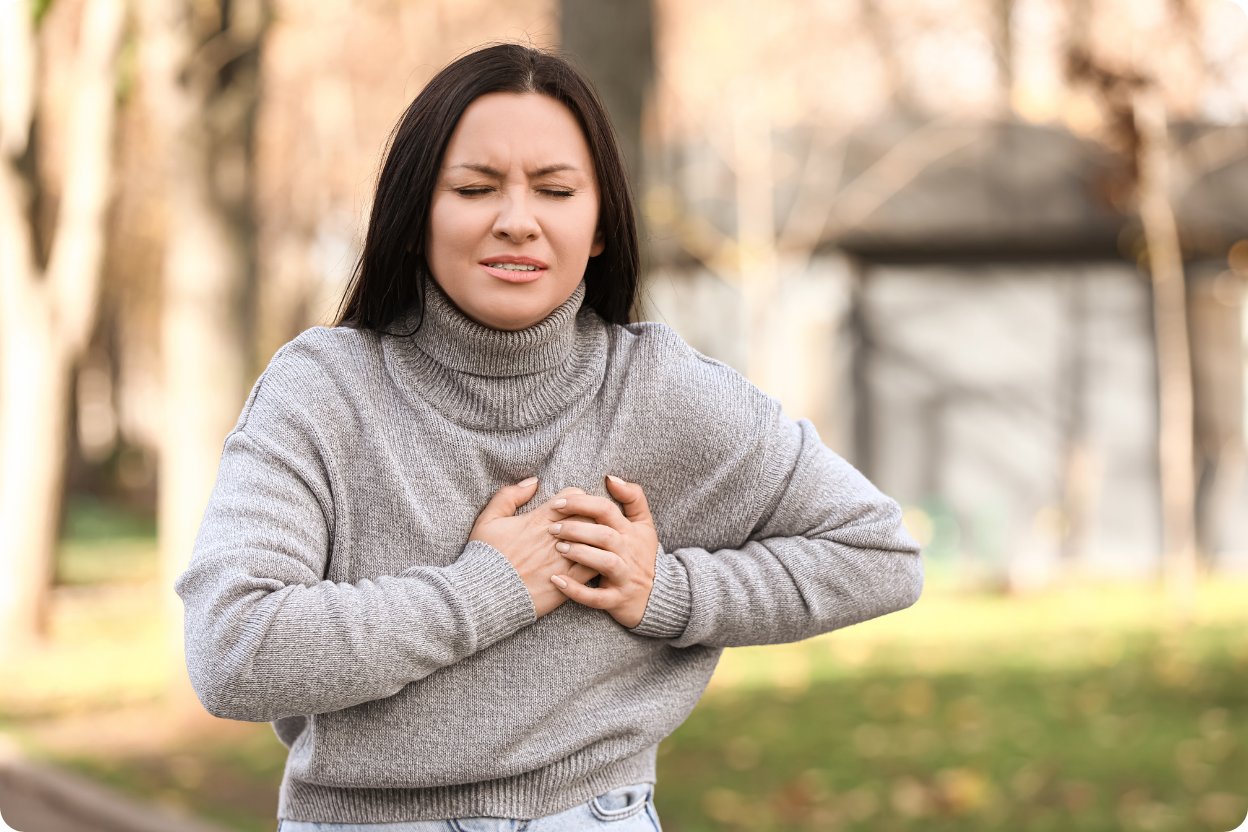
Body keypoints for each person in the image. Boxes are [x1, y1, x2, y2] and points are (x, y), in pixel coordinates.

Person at [175, 43, 923, 832]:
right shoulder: (322, 390)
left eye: (557, 190)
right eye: (473, 188)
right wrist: (490, 587)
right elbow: (233, 651)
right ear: (411, 217)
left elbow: (878, 554)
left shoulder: (661, 391)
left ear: (600, 225)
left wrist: (666, 593)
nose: (517, 221)